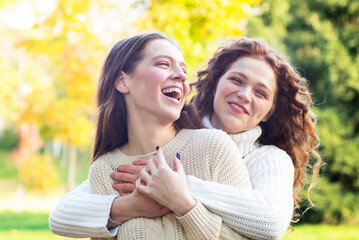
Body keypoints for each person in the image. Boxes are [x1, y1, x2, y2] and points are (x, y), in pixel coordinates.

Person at [49, 36, 321, 240]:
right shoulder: (164, 138)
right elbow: (64, 213)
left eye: (261, 93)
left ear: (269, 112)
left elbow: (270, 222)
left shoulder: (268, 159)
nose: (244, 94)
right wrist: (126, 207)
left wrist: (177, 189)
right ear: (214, 84)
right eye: (236, 80)